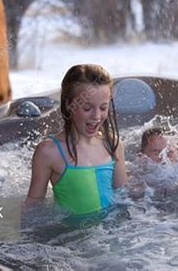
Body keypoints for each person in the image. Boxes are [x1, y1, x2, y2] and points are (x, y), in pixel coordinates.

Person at [24, 64, 128, 218]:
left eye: (103, 107)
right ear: (68, 104)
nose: (97, 116)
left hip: (112, 234)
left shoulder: (112, 144)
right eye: (87, 108)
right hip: (71, 237)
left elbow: (123, 194)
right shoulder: (49, 152)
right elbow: (34, 205)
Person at [129, 127, 178, 198]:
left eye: (169, 153)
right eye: (156, 153)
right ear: (141, 155)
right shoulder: (134, 176)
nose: (163, 159)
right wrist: (175, 190)